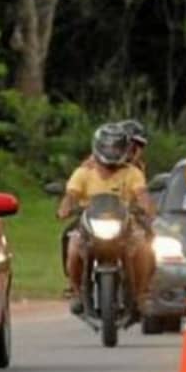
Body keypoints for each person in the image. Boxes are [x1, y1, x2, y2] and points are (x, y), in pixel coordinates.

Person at [57, 123, 154, 316]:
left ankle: (141, 293)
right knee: (74, 248)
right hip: (89, 225)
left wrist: (146, 208)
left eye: (116, 148)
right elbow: (71, 195)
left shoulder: (132, 173)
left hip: (125, 226)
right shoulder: (84, 172)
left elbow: (142, 195)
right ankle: (75, 291)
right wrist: (65, 208)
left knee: (143, 247)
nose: (112, 152)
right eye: (108, 148)